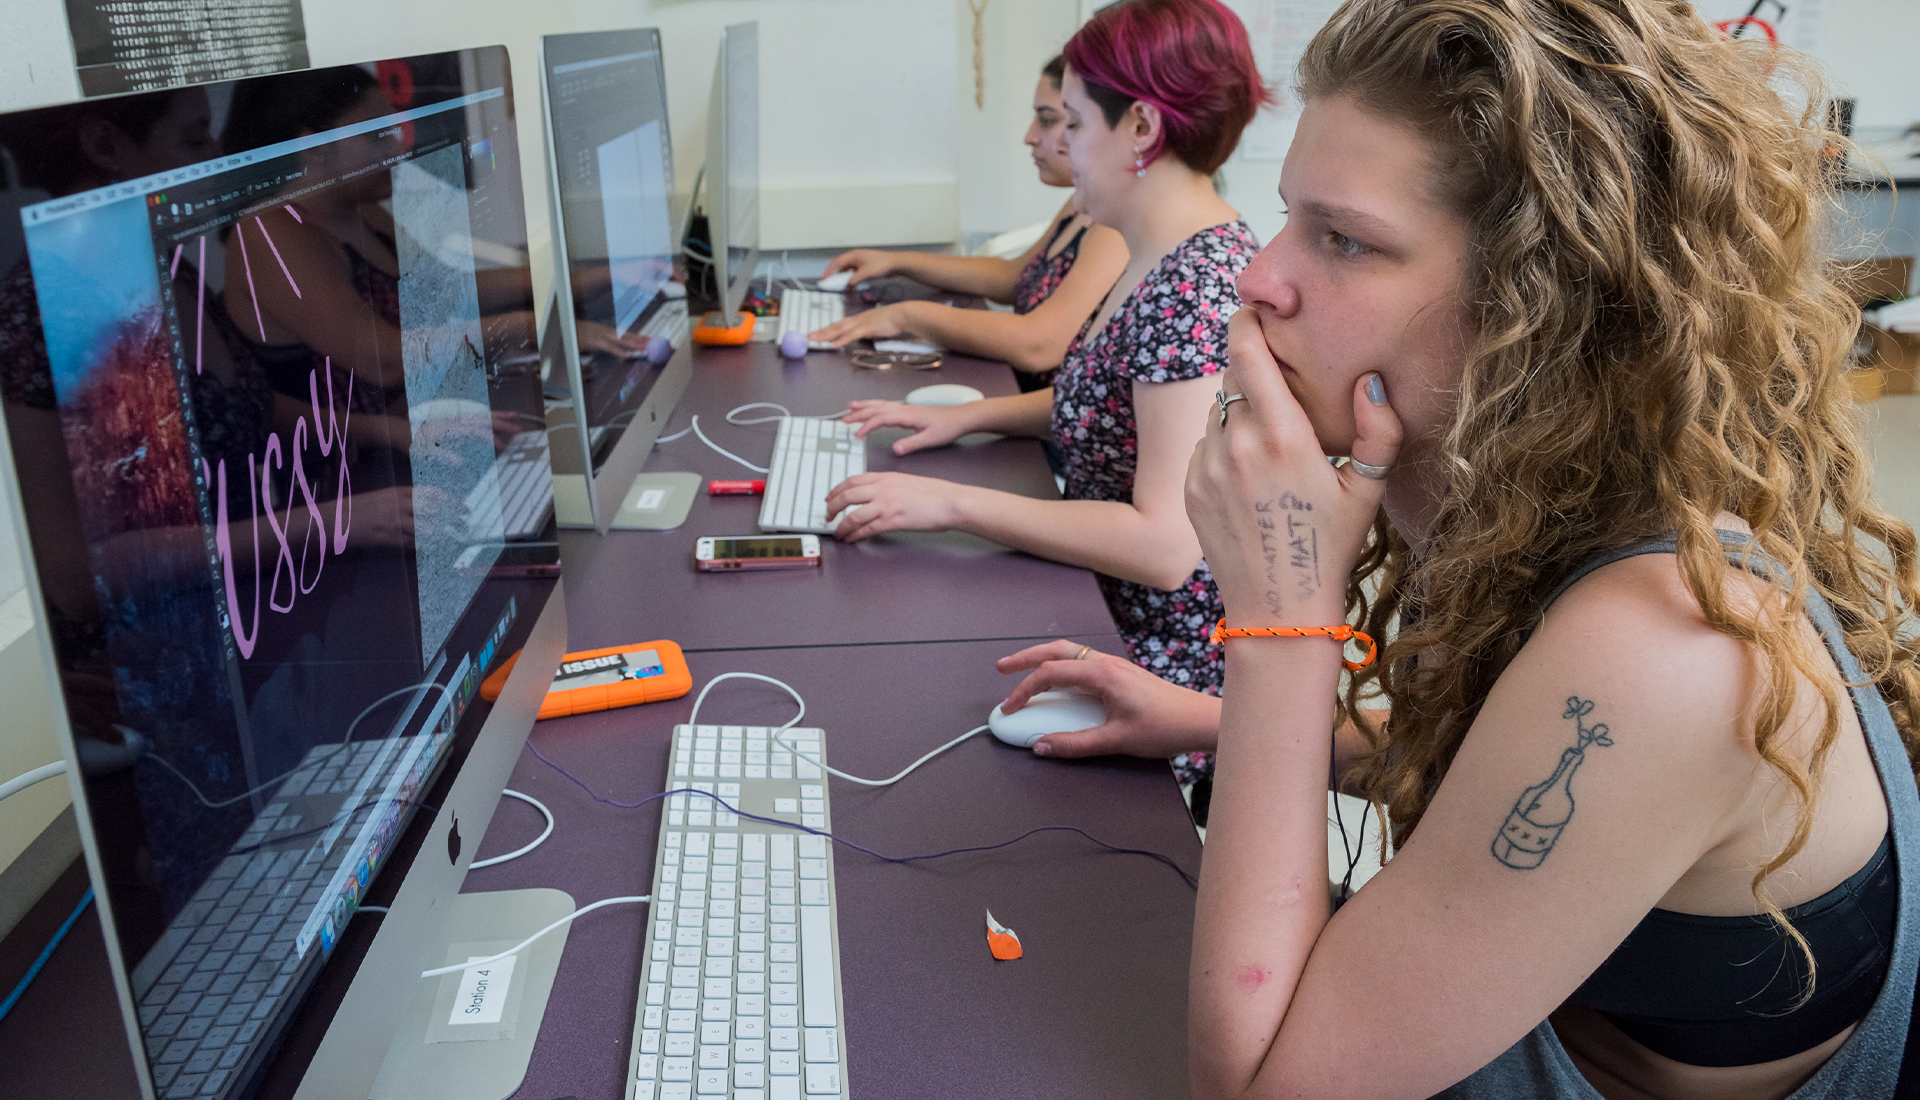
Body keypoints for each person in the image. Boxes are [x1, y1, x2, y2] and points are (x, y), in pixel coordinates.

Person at [1004, 1, 1920, 1096]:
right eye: (1288, 216)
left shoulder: (1660, 650)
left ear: (1544, 304)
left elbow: (1253, 1089)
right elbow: (1511, 759)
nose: (1260, 276)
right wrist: (1196, 716)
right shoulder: (1554, 508)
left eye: (1343, 240)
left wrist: (1283, 619)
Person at [828, 0, 1270, 797]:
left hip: (1161, 657)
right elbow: (1114, 401)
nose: (1059, 145)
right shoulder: (1156, 250)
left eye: (1072, 122)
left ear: (1140, 128)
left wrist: (952, 505)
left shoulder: (1197, 288)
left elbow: (1165, 548)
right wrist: (962, 420)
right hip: (1101, 602)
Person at [810, 56, 1127, 392]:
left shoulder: (1114, 226)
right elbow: (1014, 277)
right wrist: (895, 262)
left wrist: (906, 316)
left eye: (1051, 121)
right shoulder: (1081, 201)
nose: (1029, 137)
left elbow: (1039, 345)